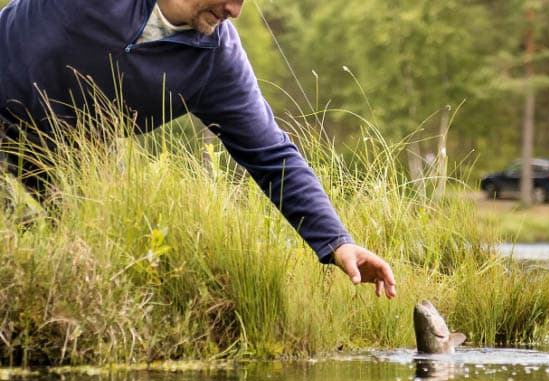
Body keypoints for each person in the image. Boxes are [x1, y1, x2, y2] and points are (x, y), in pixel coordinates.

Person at [0, 0, 396, 299]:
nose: (235, 10)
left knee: (99, 260)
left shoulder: (215, 58)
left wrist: (337, 242)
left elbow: (271, 154)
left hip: (72, 153)